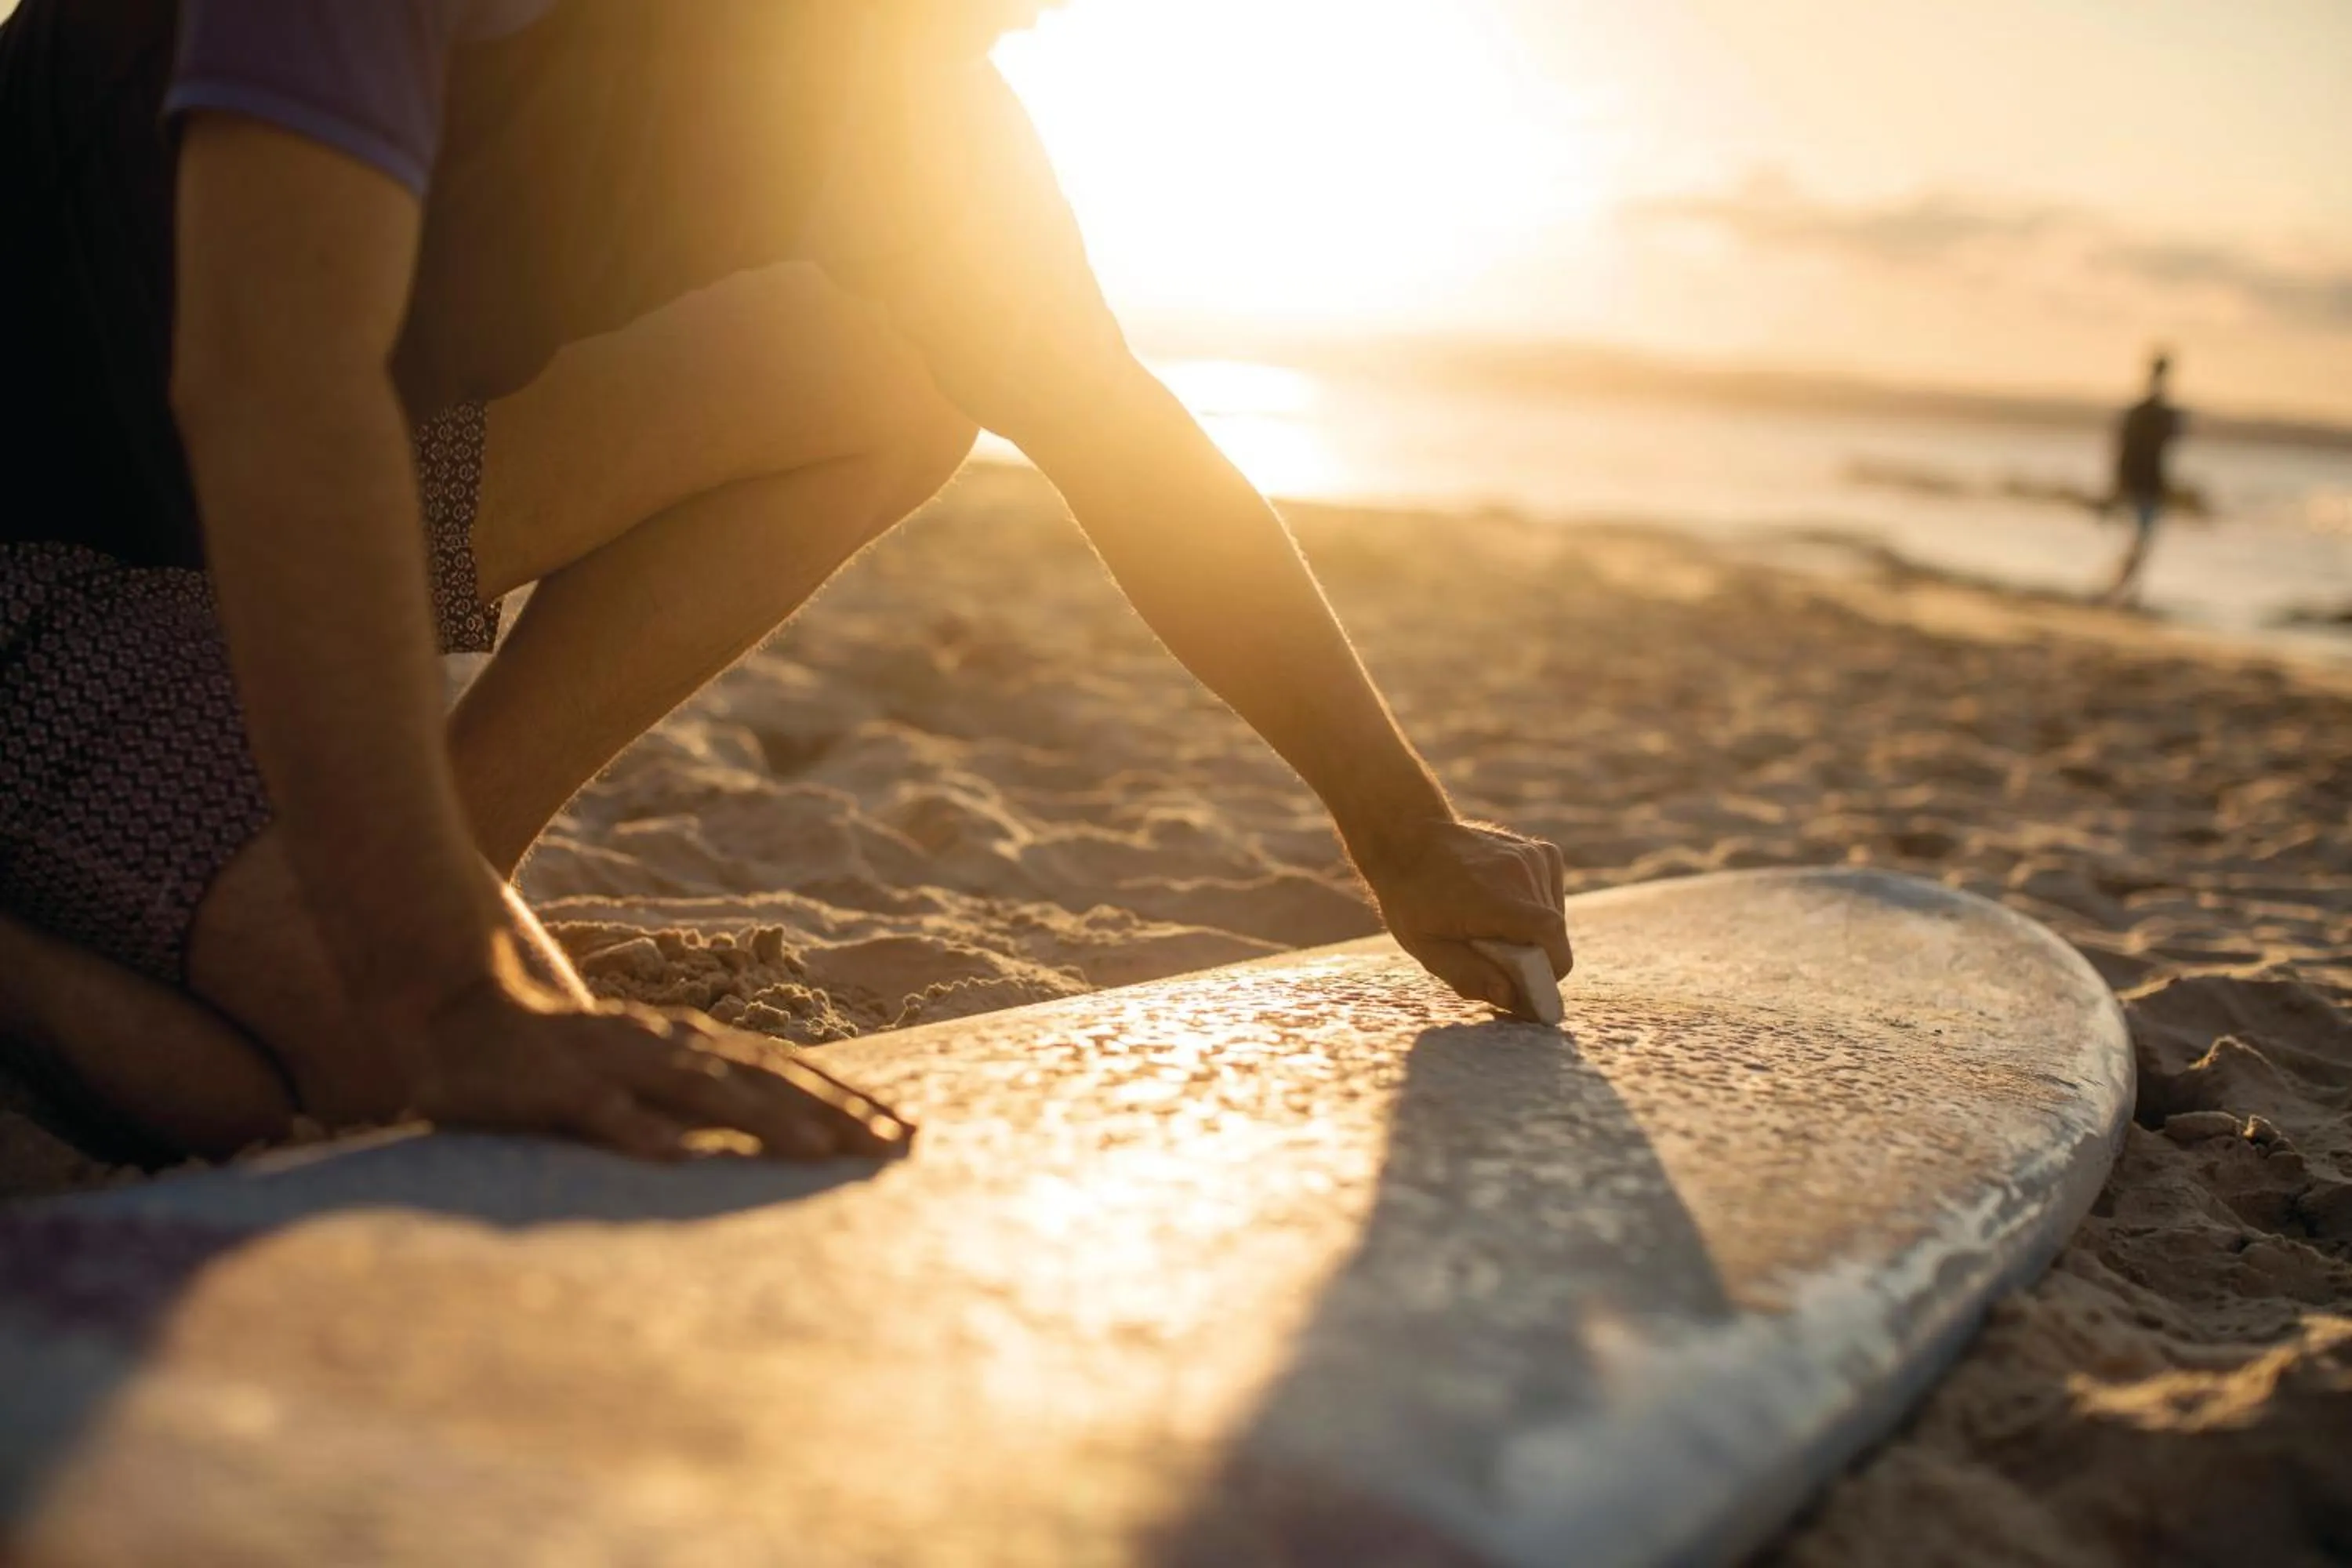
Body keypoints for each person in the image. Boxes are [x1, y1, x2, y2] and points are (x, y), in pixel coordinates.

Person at [0, 0, 1572, 1166]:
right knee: (336, 1097)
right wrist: (439, 992)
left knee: (889, 373)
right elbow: (275, 379)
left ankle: (440, 850)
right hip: (53, 536)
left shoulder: (909, 107)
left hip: (222, 523)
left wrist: (1404, 831)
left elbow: (1122, 437)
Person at [2101, 352, 2185, 606]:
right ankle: (2119, 589)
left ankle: (2119, 588)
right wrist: (2118, 484)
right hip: (2142, 484)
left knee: (2139, 542)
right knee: (2140, 542)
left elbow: (2124, 448)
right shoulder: (2151, 413)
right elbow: (2123, 448)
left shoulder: (2159, 413)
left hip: (2149, 484)